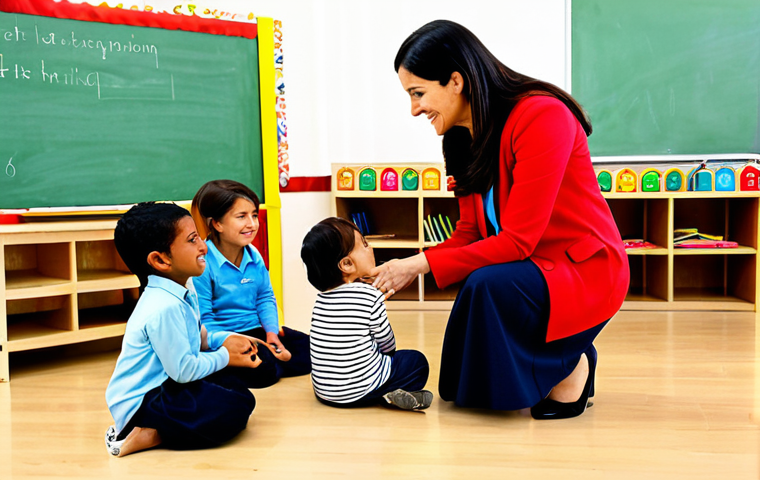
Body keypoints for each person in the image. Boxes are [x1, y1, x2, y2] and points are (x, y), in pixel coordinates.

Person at [370, 20, 629, 419]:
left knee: (488, 284)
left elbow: (519, 240)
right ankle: (557, 362)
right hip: (535, 267)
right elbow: (470, 234)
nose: (414, 109)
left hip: (583, 268)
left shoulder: (542, 115)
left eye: (418, 93)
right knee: (479, 286)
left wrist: (421, 264)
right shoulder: (460, 138)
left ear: (455, 80)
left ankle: (572, 363)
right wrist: (410, 263)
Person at [105, 202, 259, 457]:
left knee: (237, 387)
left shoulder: (185, 286)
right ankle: (146, 433)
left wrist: (229, 341)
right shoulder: (162, 307)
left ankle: (161, 427)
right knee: (233, 409)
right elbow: (185, 370)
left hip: (169, 382)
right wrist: (226, 356)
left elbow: (199, 338)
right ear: (160, 260)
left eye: (198, 235)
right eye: (191, 240)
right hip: (144, 401)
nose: (202, 246)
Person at [300, 217, 433, 411]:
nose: (370, 248)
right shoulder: (370, 295)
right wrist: (389, 356)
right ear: (346, 264)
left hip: (326, 393)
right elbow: (387, 344)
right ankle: (384, 394)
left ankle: (383, 393)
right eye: (364, 244)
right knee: (416, 362)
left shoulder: (321, 300)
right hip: (361, 390)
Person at [191, 180, 311, 388]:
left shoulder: (254, 255)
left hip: (256, 329)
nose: (252, 224)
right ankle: (266, 362)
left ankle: (272, 360)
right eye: (241, 217)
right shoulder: (203, 263)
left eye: (254, 215)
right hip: (226, 338)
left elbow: (265, 298)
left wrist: (271, 333)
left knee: (312, 349)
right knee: (264, 371)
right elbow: (205, 321)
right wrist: (244, 343)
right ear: (217, 224)